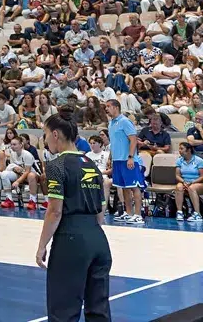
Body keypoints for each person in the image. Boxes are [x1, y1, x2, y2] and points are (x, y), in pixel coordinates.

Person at [35, 110, 111, 322]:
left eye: (46, 134)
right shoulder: (92, 165)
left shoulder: (56, 165)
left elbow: (55, 210)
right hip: (98, 240)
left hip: (71, 239)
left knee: (64, 309)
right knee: (98, 309)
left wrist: (42, 245)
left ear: (56, 134)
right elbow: (100, 213)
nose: (45, 139)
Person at [104, 99, 145, 225]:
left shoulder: (125, 121)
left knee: (134, 187)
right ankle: (128, 213)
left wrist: (131, 157)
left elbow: (133, 140)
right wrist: (111, 157)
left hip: (128, 159)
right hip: (117, 160)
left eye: (108, 106)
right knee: (124, 188)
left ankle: (138, 215)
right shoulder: (111, 123)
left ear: (116, 107)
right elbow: (114, 143)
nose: (106, 109)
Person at [174, 142, 203, 222]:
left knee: (192, 188)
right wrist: (183, 182)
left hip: (197, 183)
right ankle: (179, 212)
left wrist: (192, 182)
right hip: (184, 182)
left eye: (181, 149)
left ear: (188, 150)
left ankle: (197, 214)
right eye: (179, 148)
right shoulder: (179, 161)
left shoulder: (199, 160)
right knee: (178, 187)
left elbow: (202, 176)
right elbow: (177, 175)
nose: (179, 150)